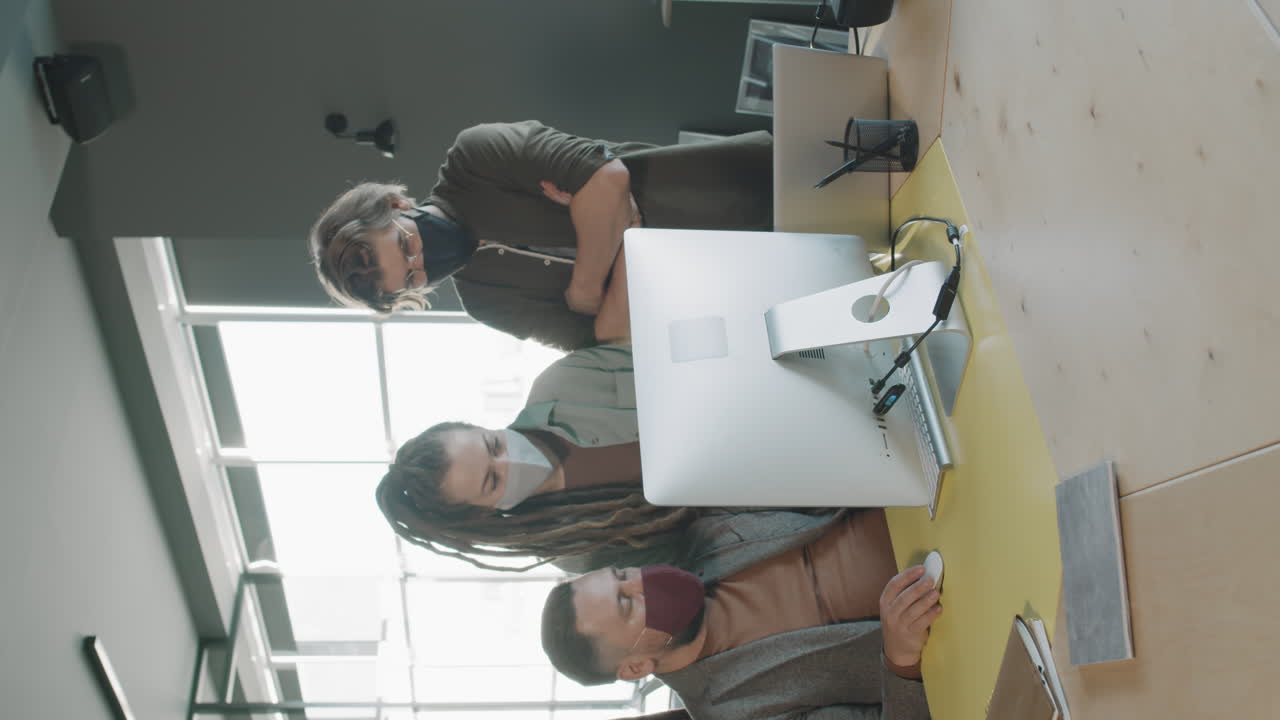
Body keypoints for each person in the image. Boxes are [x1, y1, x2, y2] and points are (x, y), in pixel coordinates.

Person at [309, 120, 773, 350]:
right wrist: (618, 232)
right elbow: (611, 343)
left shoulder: (476, 157)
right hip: (744, 296)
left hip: (748, 193)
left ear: (396, 206)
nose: (424, 262)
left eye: (407, 246)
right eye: (413, 279)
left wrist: (587, 288)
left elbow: (608, 180)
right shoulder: (487, 304)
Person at [540, 508, 939, 720]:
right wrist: (901, 659)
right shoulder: (737, 712)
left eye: (623, 575)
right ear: (636, 666)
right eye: (627, 604)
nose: (642, 582)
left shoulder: (707, 535)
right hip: (949, 620)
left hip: (928, 504)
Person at [375, 343, 700, 572]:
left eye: (493, 445)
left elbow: (674, 356)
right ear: (482, 514)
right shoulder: (577, 550)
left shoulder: (565, 382)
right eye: (493, 481)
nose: (510, 461)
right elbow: (702, 551)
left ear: (479, 426)